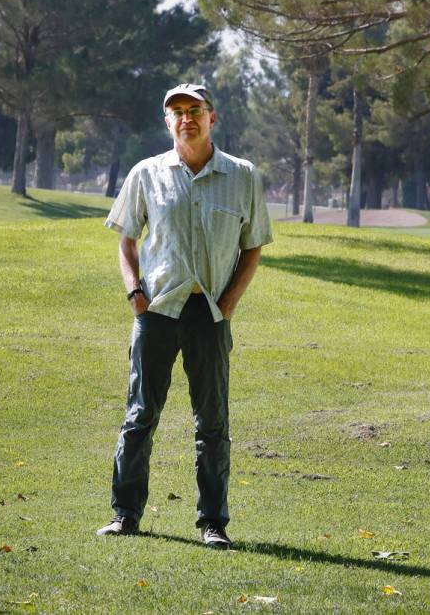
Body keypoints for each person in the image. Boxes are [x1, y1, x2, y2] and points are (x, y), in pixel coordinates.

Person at [96, 83, 273, 548]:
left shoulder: (243, 175)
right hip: (157, 309)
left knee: (212, 423)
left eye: (195, 110)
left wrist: (229, 304)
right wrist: (135, 293)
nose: (186, 118)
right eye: (176, 111)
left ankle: (212, 524)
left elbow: (253, 245)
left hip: (210, 313)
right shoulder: (146, 173)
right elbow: (126, 240)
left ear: (213, 117)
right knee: (140, 416)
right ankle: (125, 515)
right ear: (167, 121)